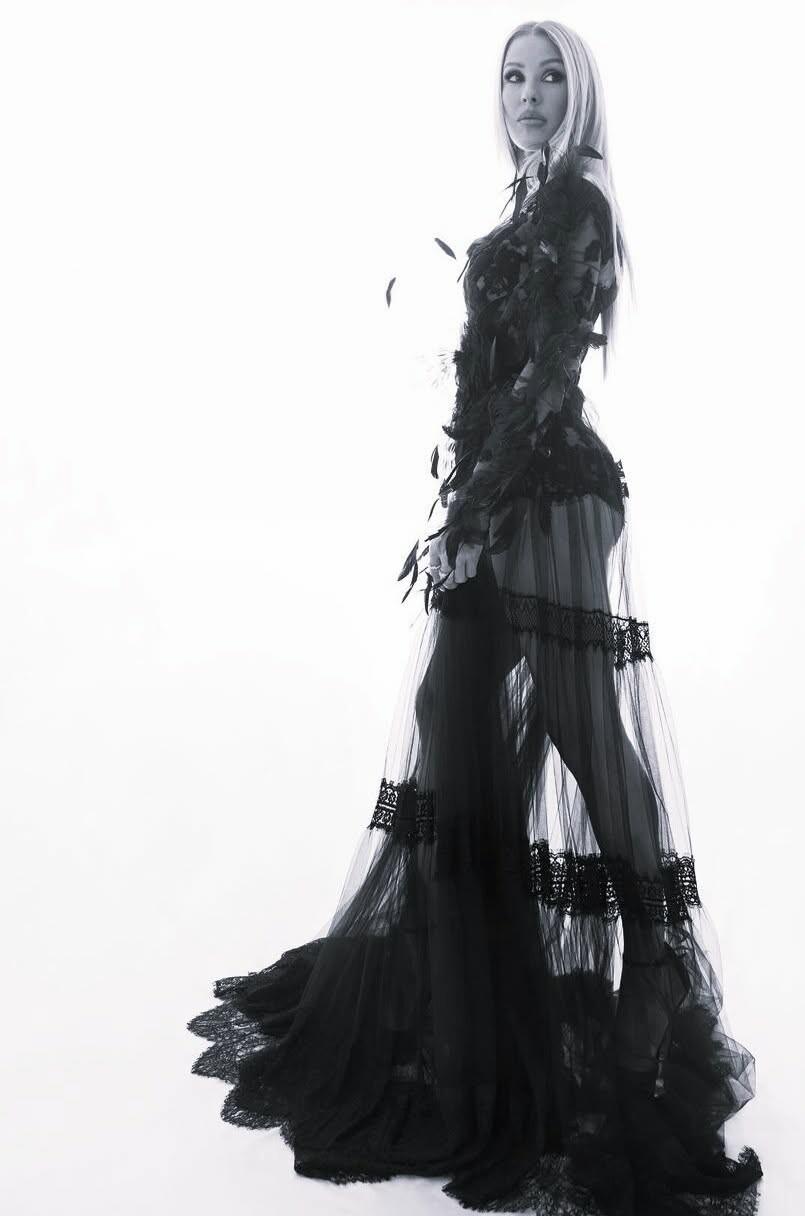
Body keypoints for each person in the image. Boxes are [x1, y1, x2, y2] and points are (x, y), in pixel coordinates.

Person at [188, 19, 764, 1215]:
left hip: (553, 501)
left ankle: (658, 960)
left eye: (552, 76)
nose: (530, 93)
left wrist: (474, 512)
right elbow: (482, 378)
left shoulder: (580, 205)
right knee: (451, 704)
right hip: (509, 499)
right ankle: (458, 972)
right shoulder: (524, 199)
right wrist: (461, 497)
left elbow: (547, 378)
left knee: (586, 729)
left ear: (581, 93)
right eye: (514, 75)